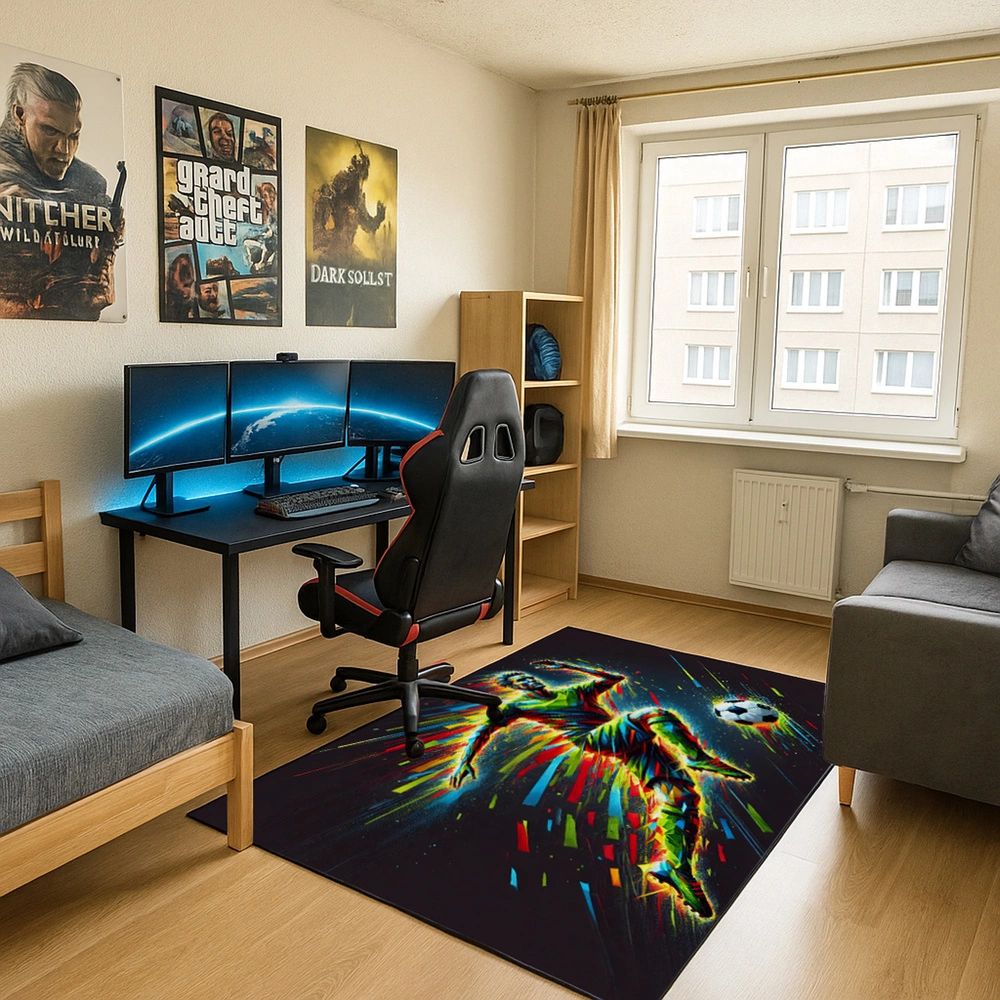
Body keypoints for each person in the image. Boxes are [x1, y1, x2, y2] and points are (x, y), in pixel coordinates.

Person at [451, 658, 753, 918]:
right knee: (654, 716)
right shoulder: (523, 705)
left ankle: (677, 869)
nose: (526, 680)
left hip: (628, 741)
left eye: (526, 676)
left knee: (682, 796)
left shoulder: (573, 692)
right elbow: (486, 727)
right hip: (596, 738)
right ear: (515, 688)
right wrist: (465, 760)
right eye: (518, 681)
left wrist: (566, 666)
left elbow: (613, 678)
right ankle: (697, 757)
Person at [0, 62, 124, 319]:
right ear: (20, 114)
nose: (64, 149)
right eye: (49, 130)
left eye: (73, 136)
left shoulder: (90, 182)